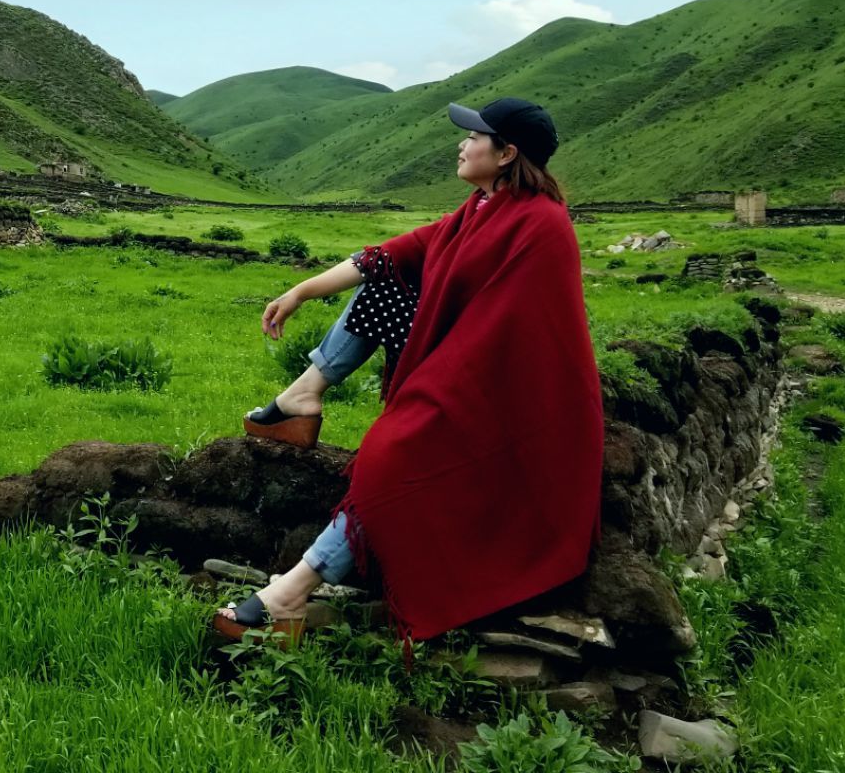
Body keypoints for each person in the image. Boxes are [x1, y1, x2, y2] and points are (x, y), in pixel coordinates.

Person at [214, 98, 604, 650]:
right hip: (466, 370)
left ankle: (292, 591)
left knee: (392, 458)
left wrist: (429, 391)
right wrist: (300, 290)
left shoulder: (541, 225)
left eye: (474, 136)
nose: (461, 144)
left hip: (516, 403)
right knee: (386, 276)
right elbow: (391, 253)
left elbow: (507, 340)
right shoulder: (477, 210)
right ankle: (306, 392)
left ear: (507, 152)